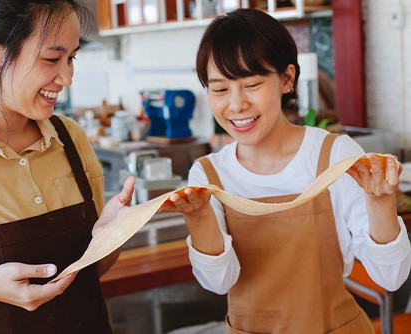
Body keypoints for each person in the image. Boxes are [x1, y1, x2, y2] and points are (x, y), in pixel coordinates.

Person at [160, 8, 411, 333]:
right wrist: (197, 219)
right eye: (220, 90)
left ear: (287, 79)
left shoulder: (334, 154)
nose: (235, 105)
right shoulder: (208, 175)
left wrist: (380, 203)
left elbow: (390, 276)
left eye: (251, 84)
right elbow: (218, 282)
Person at [0, 0, 135, 333]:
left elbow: (88, 274)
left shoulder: (70, 138)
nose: (67, 77)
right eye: (52, 59)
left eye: (71, 58)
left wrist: (109, 237)